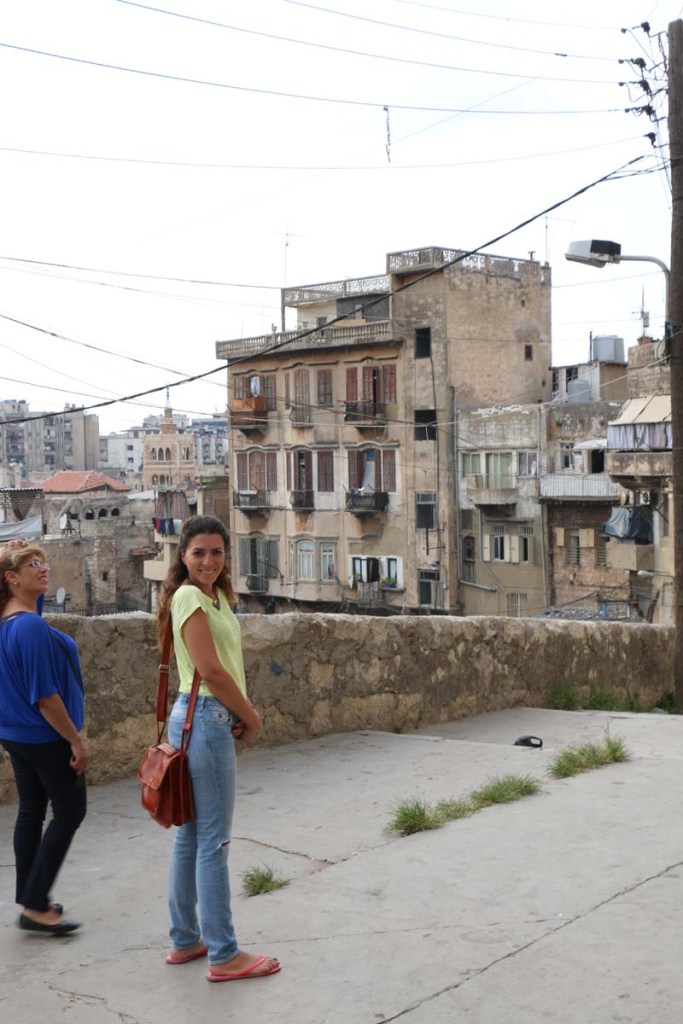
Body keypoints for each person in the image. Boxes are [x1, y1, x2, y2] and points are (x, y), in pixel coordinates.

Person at [156, 515, 280, 983]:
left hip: (197, 718)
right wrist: (251, 716)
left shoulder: (217, 598)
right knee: (214, 841)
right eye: (198, 553)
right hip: (206, 717)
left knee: (191, 836)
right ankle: (224, 954)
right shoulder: (189, 596)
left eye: (217, 552)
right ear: (183, 556)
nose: (208, 561)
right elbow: (210, 669)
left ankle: (186, 939)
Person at [0, 543, 88, 935]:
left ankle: (31, 898)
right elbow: (45, 696)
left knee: (32, 811)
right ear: (11, 579)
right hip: (44, 734)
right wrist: (76, 741)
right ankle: (36, 904)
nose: (43, 568)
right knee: (70, 811)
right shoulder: (29, 626)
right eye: (30, 565)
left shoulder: (9, 620)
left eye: (43, 561)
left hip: (15, 733)